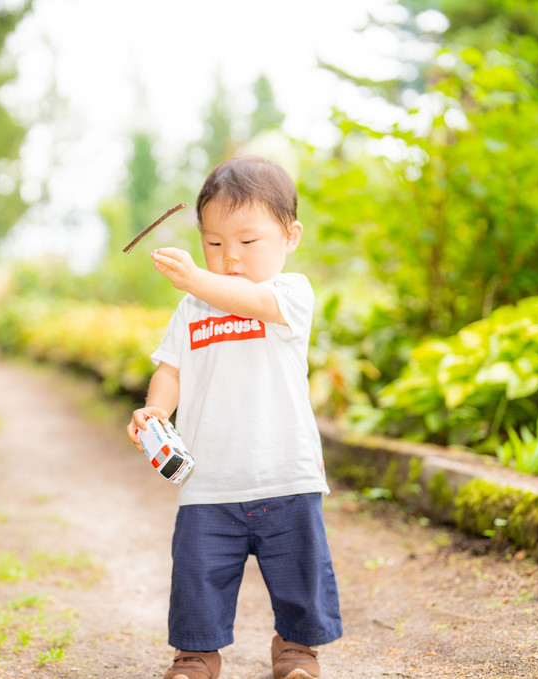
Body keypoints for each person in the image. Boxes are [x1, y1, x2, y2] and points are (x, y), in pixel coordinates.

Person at [126, 155, 343, 679]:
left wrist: (196, 278)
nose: (229, 258)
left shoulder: (290, 295)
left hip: (284, 472)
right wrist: (157, 409)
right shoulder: (192, 311)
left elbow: (246, 298)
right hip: (210, 481)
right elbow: (171, 369)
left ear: (290, 236)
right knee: (199, 574)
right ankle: (196, 654)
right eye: (214, 243)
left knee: (299, 571)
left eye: (247, 243)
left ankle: (296, 648)